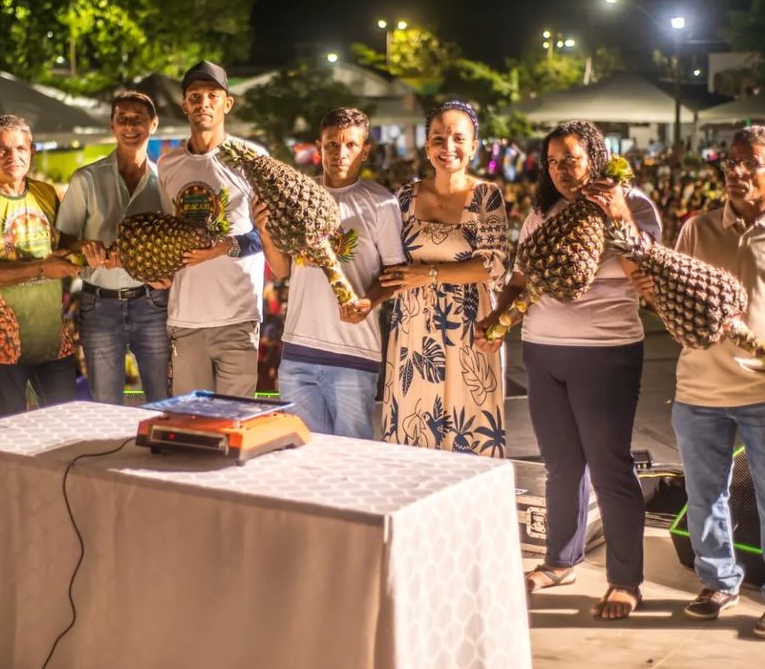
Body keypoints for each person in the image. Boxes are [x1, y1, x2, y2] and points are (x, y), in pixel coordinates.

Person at [477, 120, 661, 620]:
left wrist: (615, 217)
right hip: (542, 348)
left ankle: (626, 580)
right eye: (553, 160)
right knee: (561, 466)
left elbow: (650, 274)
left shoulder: (634, 205)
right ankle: (560, 559)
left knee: (609, 467)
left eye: (572, 159)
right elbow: (521, 276)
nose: (561, 170)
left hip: (605, 352)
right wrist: (498, 318)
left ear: (596, 158)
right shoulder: (543, 211)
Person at [666, 126, 765, 639]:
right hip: (696, 389)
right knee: (703, 494)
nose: (735, 172)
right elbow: (677, 296)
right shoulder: (696, 229)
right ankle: (718, 581)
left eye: (749, 163)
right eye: (730, 163)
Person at [255, 108, 404, 439]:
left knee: (352, 460)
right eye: (332, 144)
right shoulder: (297, 198)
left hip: (354, 354)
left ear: (365, 150)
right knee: (304, 458)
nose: (341, 153)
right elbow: (282, 271)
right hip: (297, 352)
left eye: (351, 145)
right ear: (319, 147)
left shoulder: (380, 203)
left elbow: (395, 272)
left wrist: (368, 301)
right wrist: (265, 232)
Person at [379, 101, 509, 454]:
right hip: (413, 329)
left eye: (457, 138)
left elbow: (494, 264)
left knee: (468, 422)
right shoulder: (406, 196)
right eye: (438, 138)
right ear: (426, 145)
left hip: (469, 327)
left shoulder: (486, 196)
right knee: (413, 422)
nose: (447, 147)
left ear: (473, 146)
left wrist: (429, 273)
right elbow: (387, 258)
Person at [0, 115, 81, 418]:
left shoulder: (46, 193)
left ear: (32, 150)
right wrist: (41, 269)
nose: (14, 157)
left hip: (53, 341)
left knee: (65, 431)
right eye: (3, 151)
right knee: (10, 437)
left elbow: (67, 248)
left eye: (21, 148)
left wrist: (87, 252)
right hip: (0, 345)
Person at [157, 60, 265, 397]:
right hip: (186, 318)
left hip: (238, 316)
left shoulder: (252, 159)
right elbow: (166, 234)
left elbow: (268, 235)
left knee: (234, 424)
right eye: (195, 95)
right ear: (184, 104)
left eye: (213, 96)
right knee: (191, 424)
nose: (204, 103)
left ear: (227, 103)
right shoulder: (168, 164)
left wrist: (223, 248)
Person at [57, 91, 170, 405]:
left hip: (153, 304)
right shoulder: (86, 179)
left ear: (154, 125)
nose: (130, 125)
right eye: (123, 118)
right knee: (106, 404)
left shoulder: (165, 182)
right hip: (99, 305)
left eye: (139, 119)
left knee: (162, 402)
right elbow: (63, 244)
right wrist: (87, 248)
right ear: (112, 125)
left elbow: (174, 245)